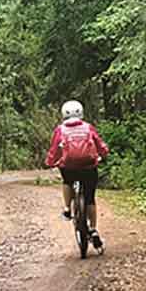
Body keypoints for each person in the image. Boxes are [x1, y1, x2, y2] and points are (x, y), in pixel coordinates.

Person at [45, 99, 109, 249]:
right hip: (88, 166)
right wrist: (103, 155)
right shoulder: (88, 127)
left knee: (67, 181)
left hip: (68, 167)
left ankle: (67, 209)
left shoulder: (60, 130)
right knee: (90, 199)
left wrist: (49, 162)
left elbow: (54, 150)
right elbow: (100, 145)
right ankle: (93, 230)